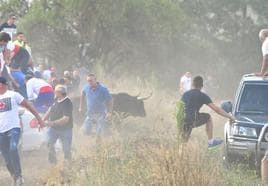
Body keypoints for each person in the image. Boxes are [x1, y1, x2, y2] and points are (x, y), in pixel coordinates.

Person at [0, 77, 43, 185]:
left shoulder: (14, 95)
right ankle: (14, 176)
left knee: (13, 148)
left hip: (13, 128)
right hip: (1, 131)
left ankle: (19, 176)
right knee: (6, 158)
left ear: (3, 84)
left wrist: (39, 118)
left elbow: (28, 105)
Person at [181, 76, 235, 147]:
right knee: (208, 117)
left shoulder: (185, 94)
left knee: (183, 142)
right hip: (193, 118)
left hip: (183, 119)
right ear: (202, 86)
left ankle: (180, 153)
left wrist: (180, 121)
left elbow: (180, 108)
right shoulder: (202, 95)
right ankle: (211, 142)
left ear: (192, 84)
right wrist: (230, 116)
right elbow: (216, 109)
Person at [43, 85, 73, 164]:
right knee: (49, 143)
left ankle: (68, 164)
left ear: (60, 92)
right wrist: (42, 121)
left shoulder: (67, 103)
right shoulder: (56, 99)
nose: (54, 92)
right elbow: (50, 110)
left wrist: (51, 123)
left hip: (65, 130)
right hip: (53, 129)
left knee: (66, 149)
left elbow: (65, 119)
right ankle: (53, 162)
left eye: (55, 91)